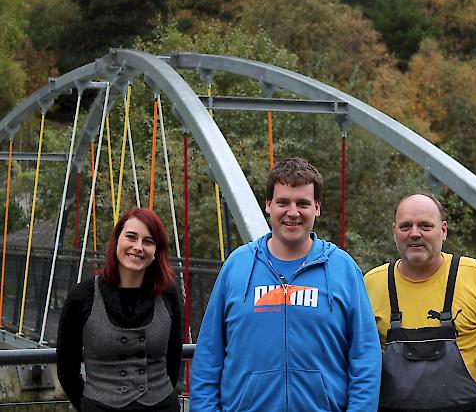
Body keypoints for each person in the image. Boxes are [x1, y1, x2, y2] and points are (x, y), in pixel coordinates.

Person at [190, 157, 381, 412]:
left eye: (302, 203)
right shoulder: (237, 266)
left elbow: (365, 358)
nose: (293, 212)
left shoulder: (342, 269)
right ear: (268, 205)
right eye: (283, 202)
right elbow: (208, 357)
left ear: (317, 207)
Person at [364, 193, 476, 412]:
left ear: (443, 230)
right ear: (394, 232)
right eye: (405, 226)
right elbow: (355, 358)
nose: (414, 234)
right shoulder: (371, 284)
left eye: (425, 226)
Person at [57, 208, 183, 412]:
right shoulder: (83, 295)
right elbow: (66, 369)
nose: (138, 247)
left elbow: (174, 358)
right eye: (131, 237)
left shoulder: (167, 293)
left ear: (156, 252)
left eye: (148, 241)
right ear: (117, 240)